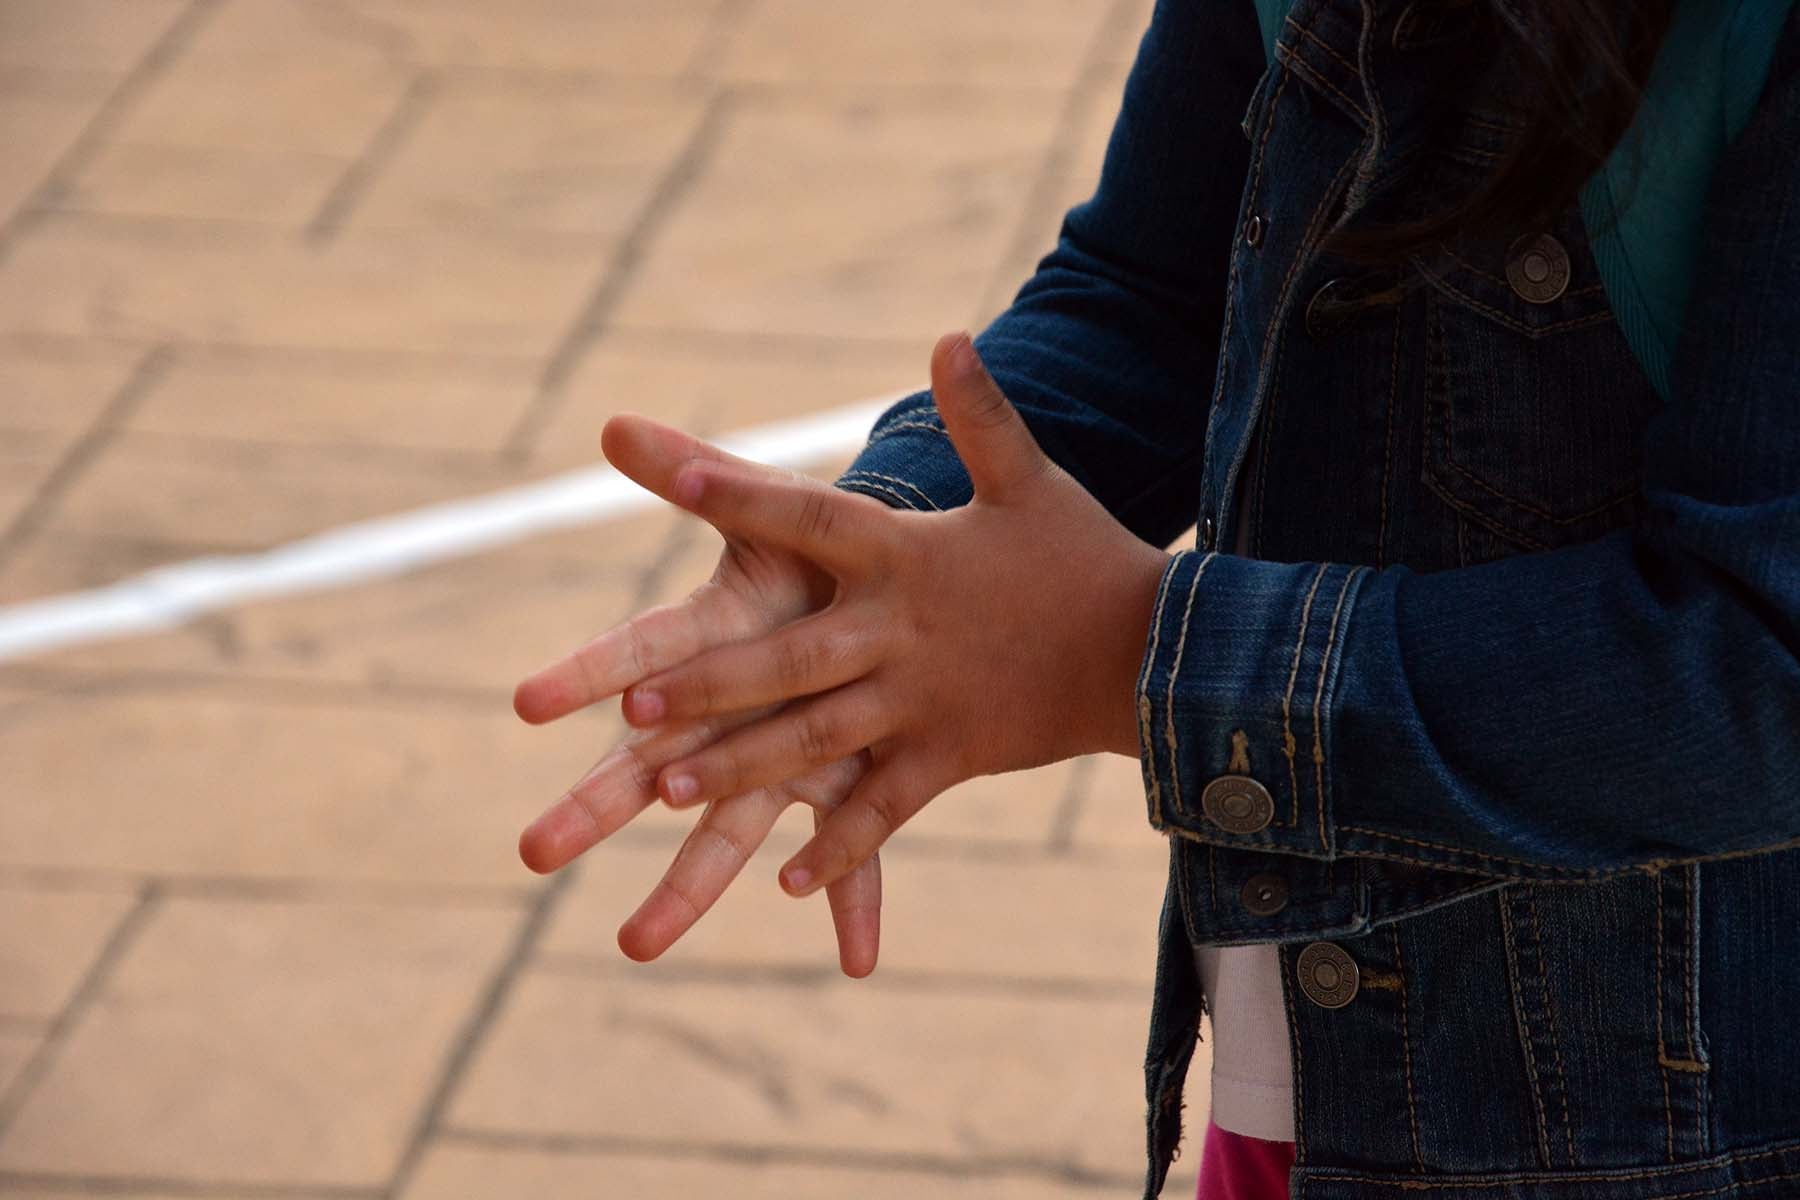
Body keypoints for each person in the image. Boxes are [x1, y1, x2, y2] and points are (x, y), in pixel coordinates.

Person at [511, 1, 1800, 1196]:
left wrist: (1133, 654)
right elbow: (1153, 288)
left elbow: (1755, 662)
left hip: (1668, 1131)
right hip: (1305, 1053)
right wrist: (887, 553)